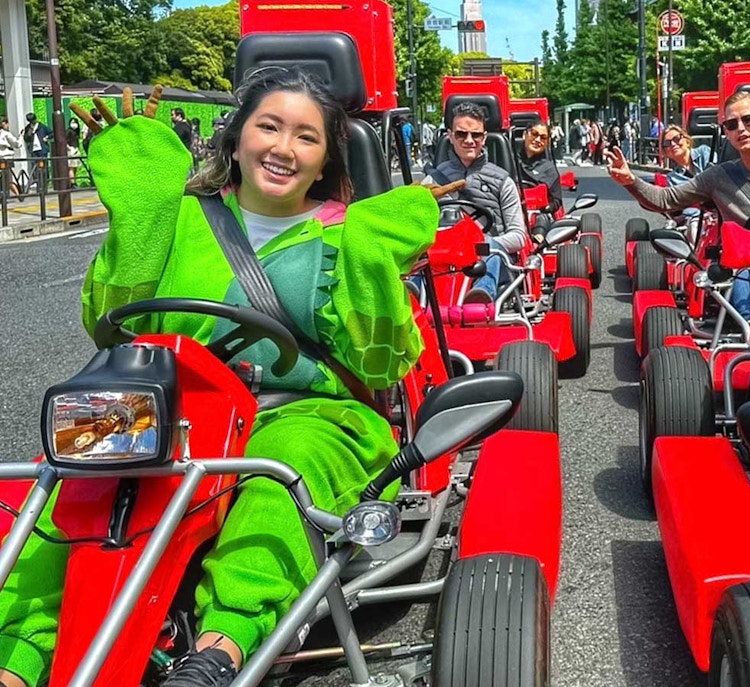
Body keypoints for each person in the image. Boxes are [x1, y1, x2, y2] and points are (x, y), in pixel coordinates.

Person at [0, 67, 448, 687]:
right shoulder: (180, 218)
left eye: (306, 137)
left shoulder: (346, 233)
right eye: (268, 126)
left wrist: (371, 263)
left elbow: (381, 365)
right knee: (72, 485)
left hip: (305, 411)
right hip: (167, 408)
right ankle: (17, 660)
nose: (283, 148)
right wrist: (140, 217)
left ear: (323, 161)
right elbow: (105, 326)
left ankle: (219, 650)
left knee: (278, 473)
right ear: (236, 140)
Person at [607, 91, 750, 319]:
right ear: (726, 133)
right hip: (747, 265)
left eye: (748, 119)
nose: (741, 128)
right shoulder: (717, 176)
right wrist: (630, 181)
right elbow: (665, 199)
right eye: (731, 124)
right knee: (749, 307)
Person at [421, 101, 528, 305]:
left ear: (484, 138)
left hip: (489, 258)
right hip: (444, 260)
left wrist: (480, 245)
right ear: (450, 136)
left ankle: (480, 297)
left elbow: (518, 237)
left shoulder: (503, 181)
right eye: (461, 134)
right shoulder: (431, 181)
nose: (469, 141)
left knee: (490, 249)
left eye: (476, 135)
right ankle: (414, 293)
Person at [517, 116, 563, 215]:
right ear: (524, 135)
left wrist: (547, 207)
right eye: (534, 134)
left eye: (543, 138)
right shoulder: (509, 161)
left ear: (547, 142)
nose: (538, 140)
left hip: (538, 215)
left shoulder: (549, 169)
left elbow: (557, 201)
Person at [0, 119, 20, 197]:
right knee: (8, 179)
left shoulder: (5, 134)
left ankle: (16, 194)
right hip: (6, 157)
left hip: (3, 158)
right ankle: (18, 195)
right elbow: (17, 144)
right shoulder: (5, 134)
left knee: (7, 178)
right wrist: (20, 138)